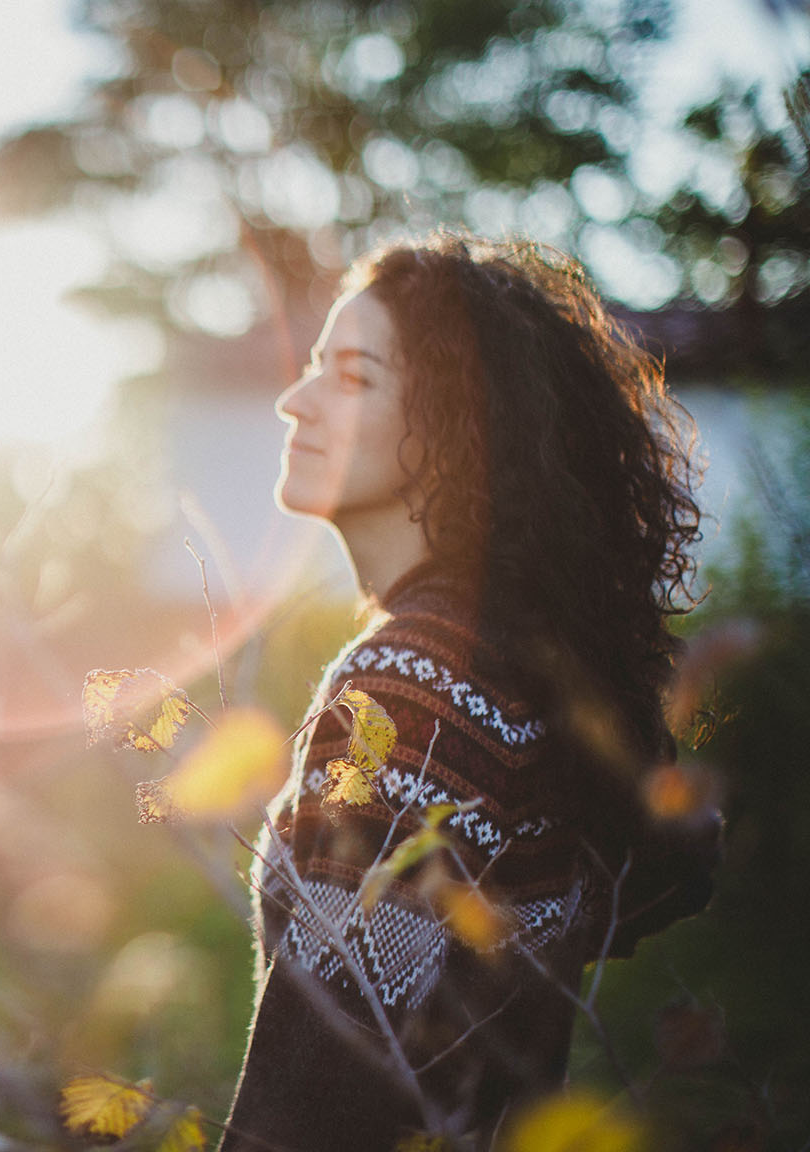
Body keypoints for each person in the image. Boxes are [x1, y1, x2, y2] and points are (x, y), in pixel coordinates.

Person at [221, 232, 718, 1150]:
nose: (295, 401)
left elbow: (312, 1111)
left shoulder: (408, 694)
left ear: (460, 423)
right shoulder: (511, 663)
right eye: (311, 368)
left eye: (353, 376)